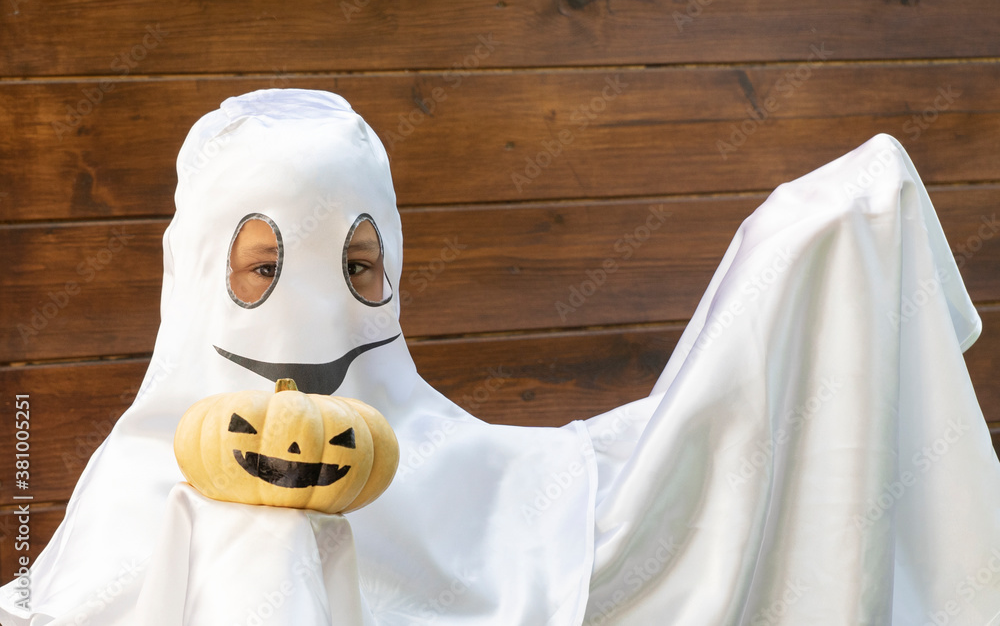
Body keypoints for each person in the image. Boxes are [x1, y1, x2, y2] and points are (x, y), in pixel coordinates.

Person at [2, 88, 998, 625]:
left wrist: (806, 274)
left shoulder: (446, 457)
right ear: (198, 277)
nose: (308, 308)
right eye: (261, 269)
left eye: (355, 266)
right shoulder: (147, 479)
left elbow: (600, 516)